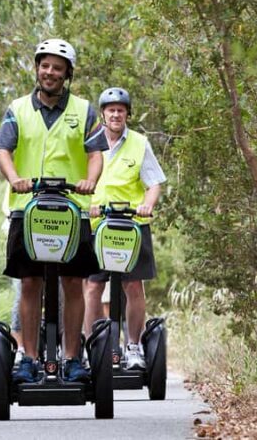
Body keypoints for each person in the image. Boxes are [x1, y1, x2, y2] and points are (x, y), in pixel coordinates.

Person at [0, 38, 107, 383]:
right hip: (27, 210)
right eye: (45, 65)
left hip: (72, 211)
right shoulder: (18, 108)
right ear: (37, 68)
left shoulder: (84, 110)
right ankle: (28, 358)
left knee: (73, 282)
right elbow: (3, 150)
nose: (50, 72)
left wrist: (89, 180)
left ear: (67, 73)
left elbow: (96, 153)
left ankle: (72, 358)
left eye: (58, 67)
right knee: (30, 282)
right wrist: (14, 179)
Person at [83, 87, 166, 370]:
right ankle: (93, 345)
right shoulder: (90, 142)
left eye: (121, 110)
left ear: (127, 113)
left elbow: (153, 183)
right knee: (93, 286)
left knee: (133, 285)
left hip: (131, 225)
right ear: (103, 114)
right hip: (98, 224)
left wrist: (147, 205)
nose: (116, 114)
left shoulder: (140, 143)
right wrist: (87, 204)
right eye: (110, 110)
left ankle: (133, 347)